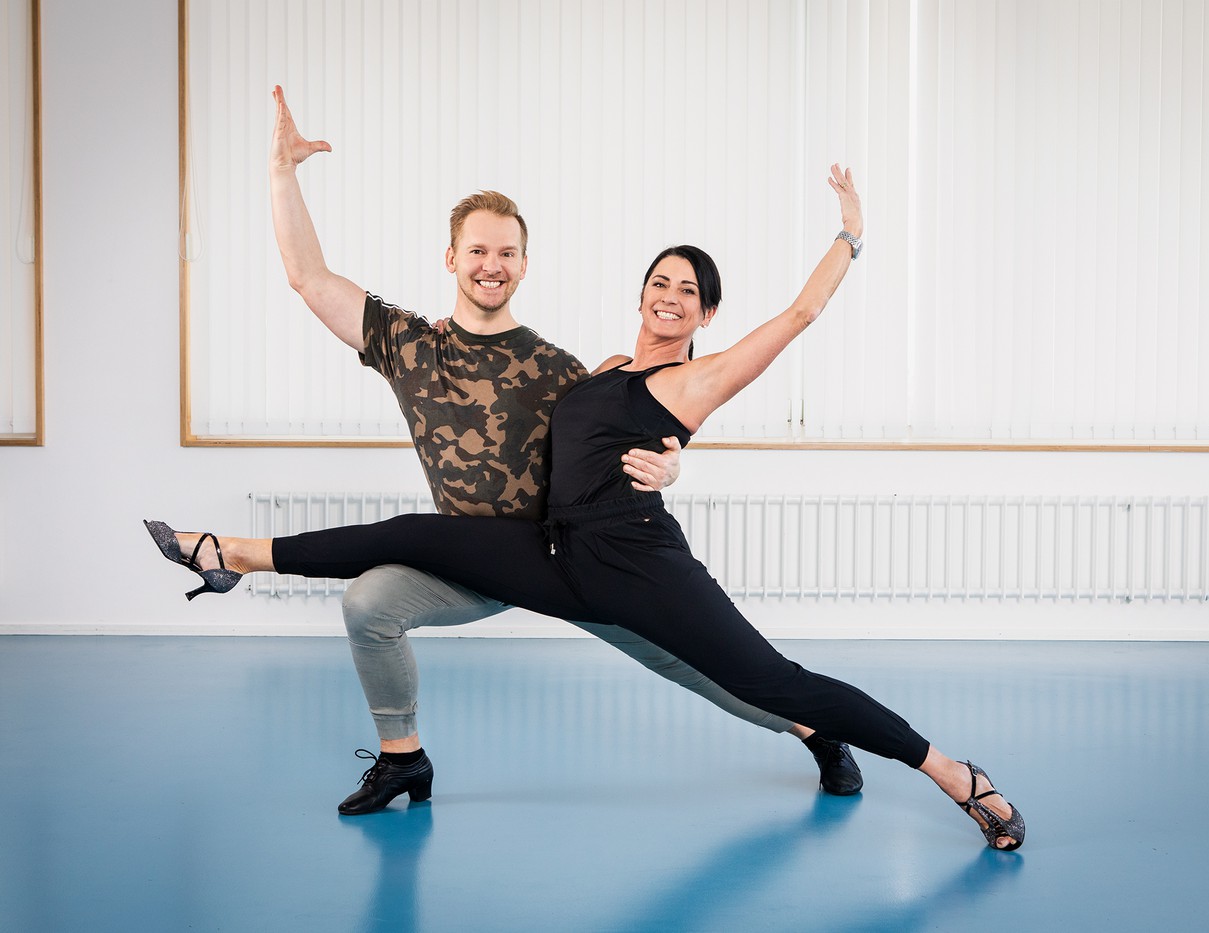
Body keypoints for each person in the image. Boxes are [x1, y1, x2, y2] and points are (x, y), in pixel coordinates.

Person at [147, 163, 1025, 850]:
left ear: (707, 313)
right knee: (406, 539)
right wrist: (280, 172)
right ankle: (228, 556)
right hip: (552, 554)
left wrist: (851, 236)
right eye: (662, 281)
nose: (671, 295)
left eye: (690, 290)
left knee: (754, 677)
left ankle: (947, 772)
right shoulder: (596, 369)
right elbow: (312, 279)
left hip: (635, 562)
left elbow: (795, 316)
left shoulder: (684, 376)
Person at [263, 86, 863, 815]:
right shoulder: (406, 344)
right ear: (451, 257)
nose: (491, 263)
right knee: (368, 603)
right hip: (471, 560)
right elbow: (308, 277)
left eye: (506, 252)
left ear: (523, 265)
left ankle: (816, 728)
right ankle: (403, 761)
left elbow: (626, 435)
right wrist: (283, 175)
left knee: (689, 661)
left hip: (565, 559)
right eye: (477, 250)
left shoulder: (559, 370)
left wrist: (671, 466)